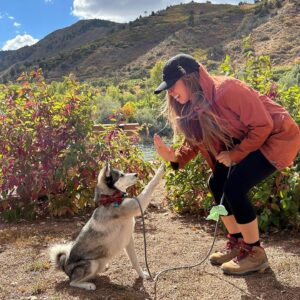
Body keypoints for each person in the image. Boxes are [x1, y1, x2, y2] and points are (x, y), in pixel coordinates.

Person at [153, 53, 300, 275]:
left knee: (235, 187)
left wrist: (235, 155)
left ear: (190, 78)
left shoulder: (228, 90)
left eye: (173, 85)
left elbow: (263, 125)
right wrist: (174, 157)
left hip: (276, 137)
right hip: (246, 141)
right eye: (168, 88)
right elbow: (196, 142)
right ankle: (238, 242)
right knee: (217, 183)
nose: (170, 92)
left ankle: (255, 253)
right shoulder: (193, 104)